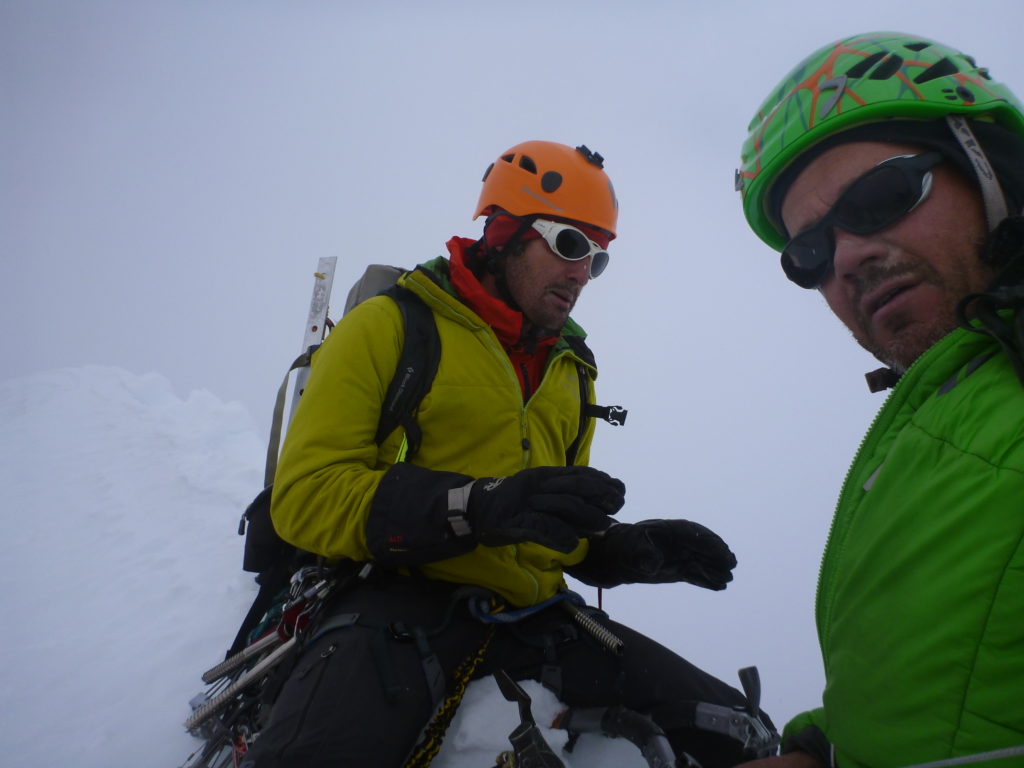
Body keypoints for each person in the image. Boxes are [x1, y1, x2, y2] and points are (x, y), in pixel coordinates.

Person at [240, 140, 774, 768]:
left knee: (745, 735)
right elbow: (305, 497)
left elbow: (539, 522)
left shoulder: (571, 367)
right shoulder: (391, 326)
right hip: (393, 601)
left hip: (535, 616)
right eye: (570, 244)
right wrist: (475, 507)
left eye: (598, 257)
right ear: (503, 232)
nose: (583, 272)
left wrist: (618, 550)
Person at [734, 31, 1024, 768]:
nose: (847, 258)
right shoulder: (925, 422)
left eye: (882, 198)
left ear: (990, 169)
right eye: (810, 253)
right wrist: (826, 748)